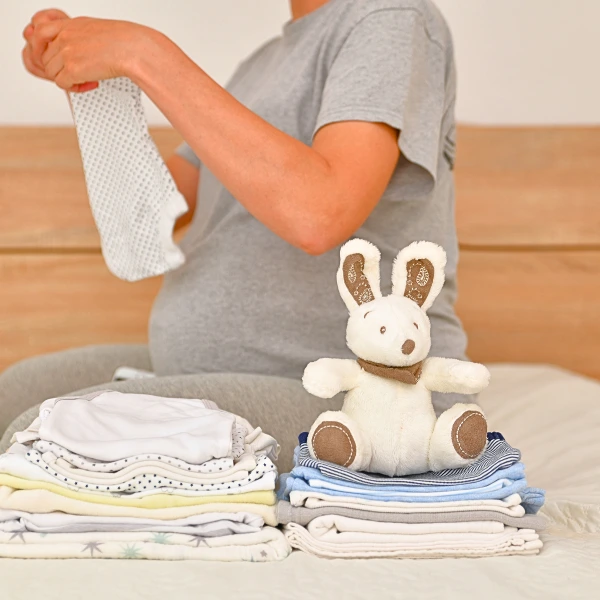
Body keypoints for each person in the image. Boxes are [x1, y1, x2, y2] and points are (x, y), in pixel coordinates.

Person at [0, 0, 471, 465]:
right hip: (219, 371)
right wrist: (92, 86)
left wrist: (141, 53)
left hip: (355, 395)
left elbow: (320, 214)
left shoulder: (391, 18)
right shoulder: (261, 66)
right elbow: (152, 210)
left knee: (40, 435)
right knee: (13, 393)